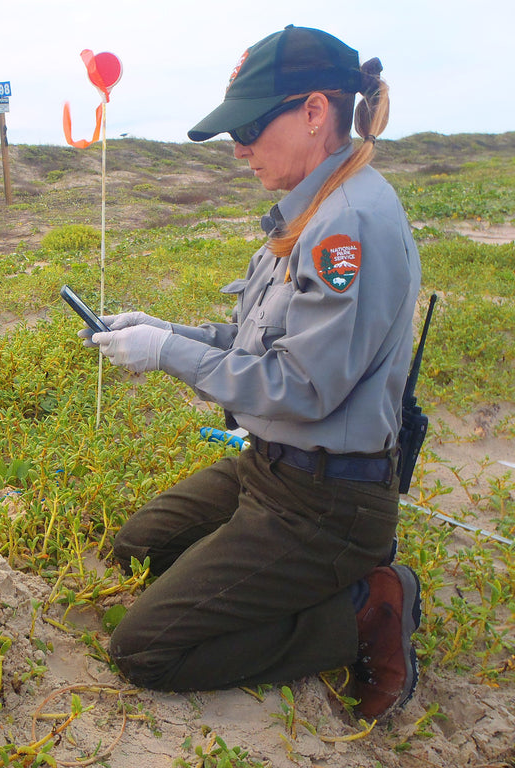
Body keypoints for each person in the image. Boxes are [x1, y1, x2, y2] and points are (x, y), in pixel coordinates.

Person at [79, 25, 422, 721]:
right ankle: (260, 571)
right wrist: (160, 328)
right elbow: (250, 342)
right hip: (266, 466)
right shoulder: (307, 213)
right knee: (140, 547)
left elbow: (299, 386)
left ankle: (365, 610)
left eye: (249, 129)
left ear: (315, 113)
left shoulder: (346, 225)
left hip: (325, 504)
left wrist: (166, 355)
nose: (239, 150)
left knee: (145, 649)